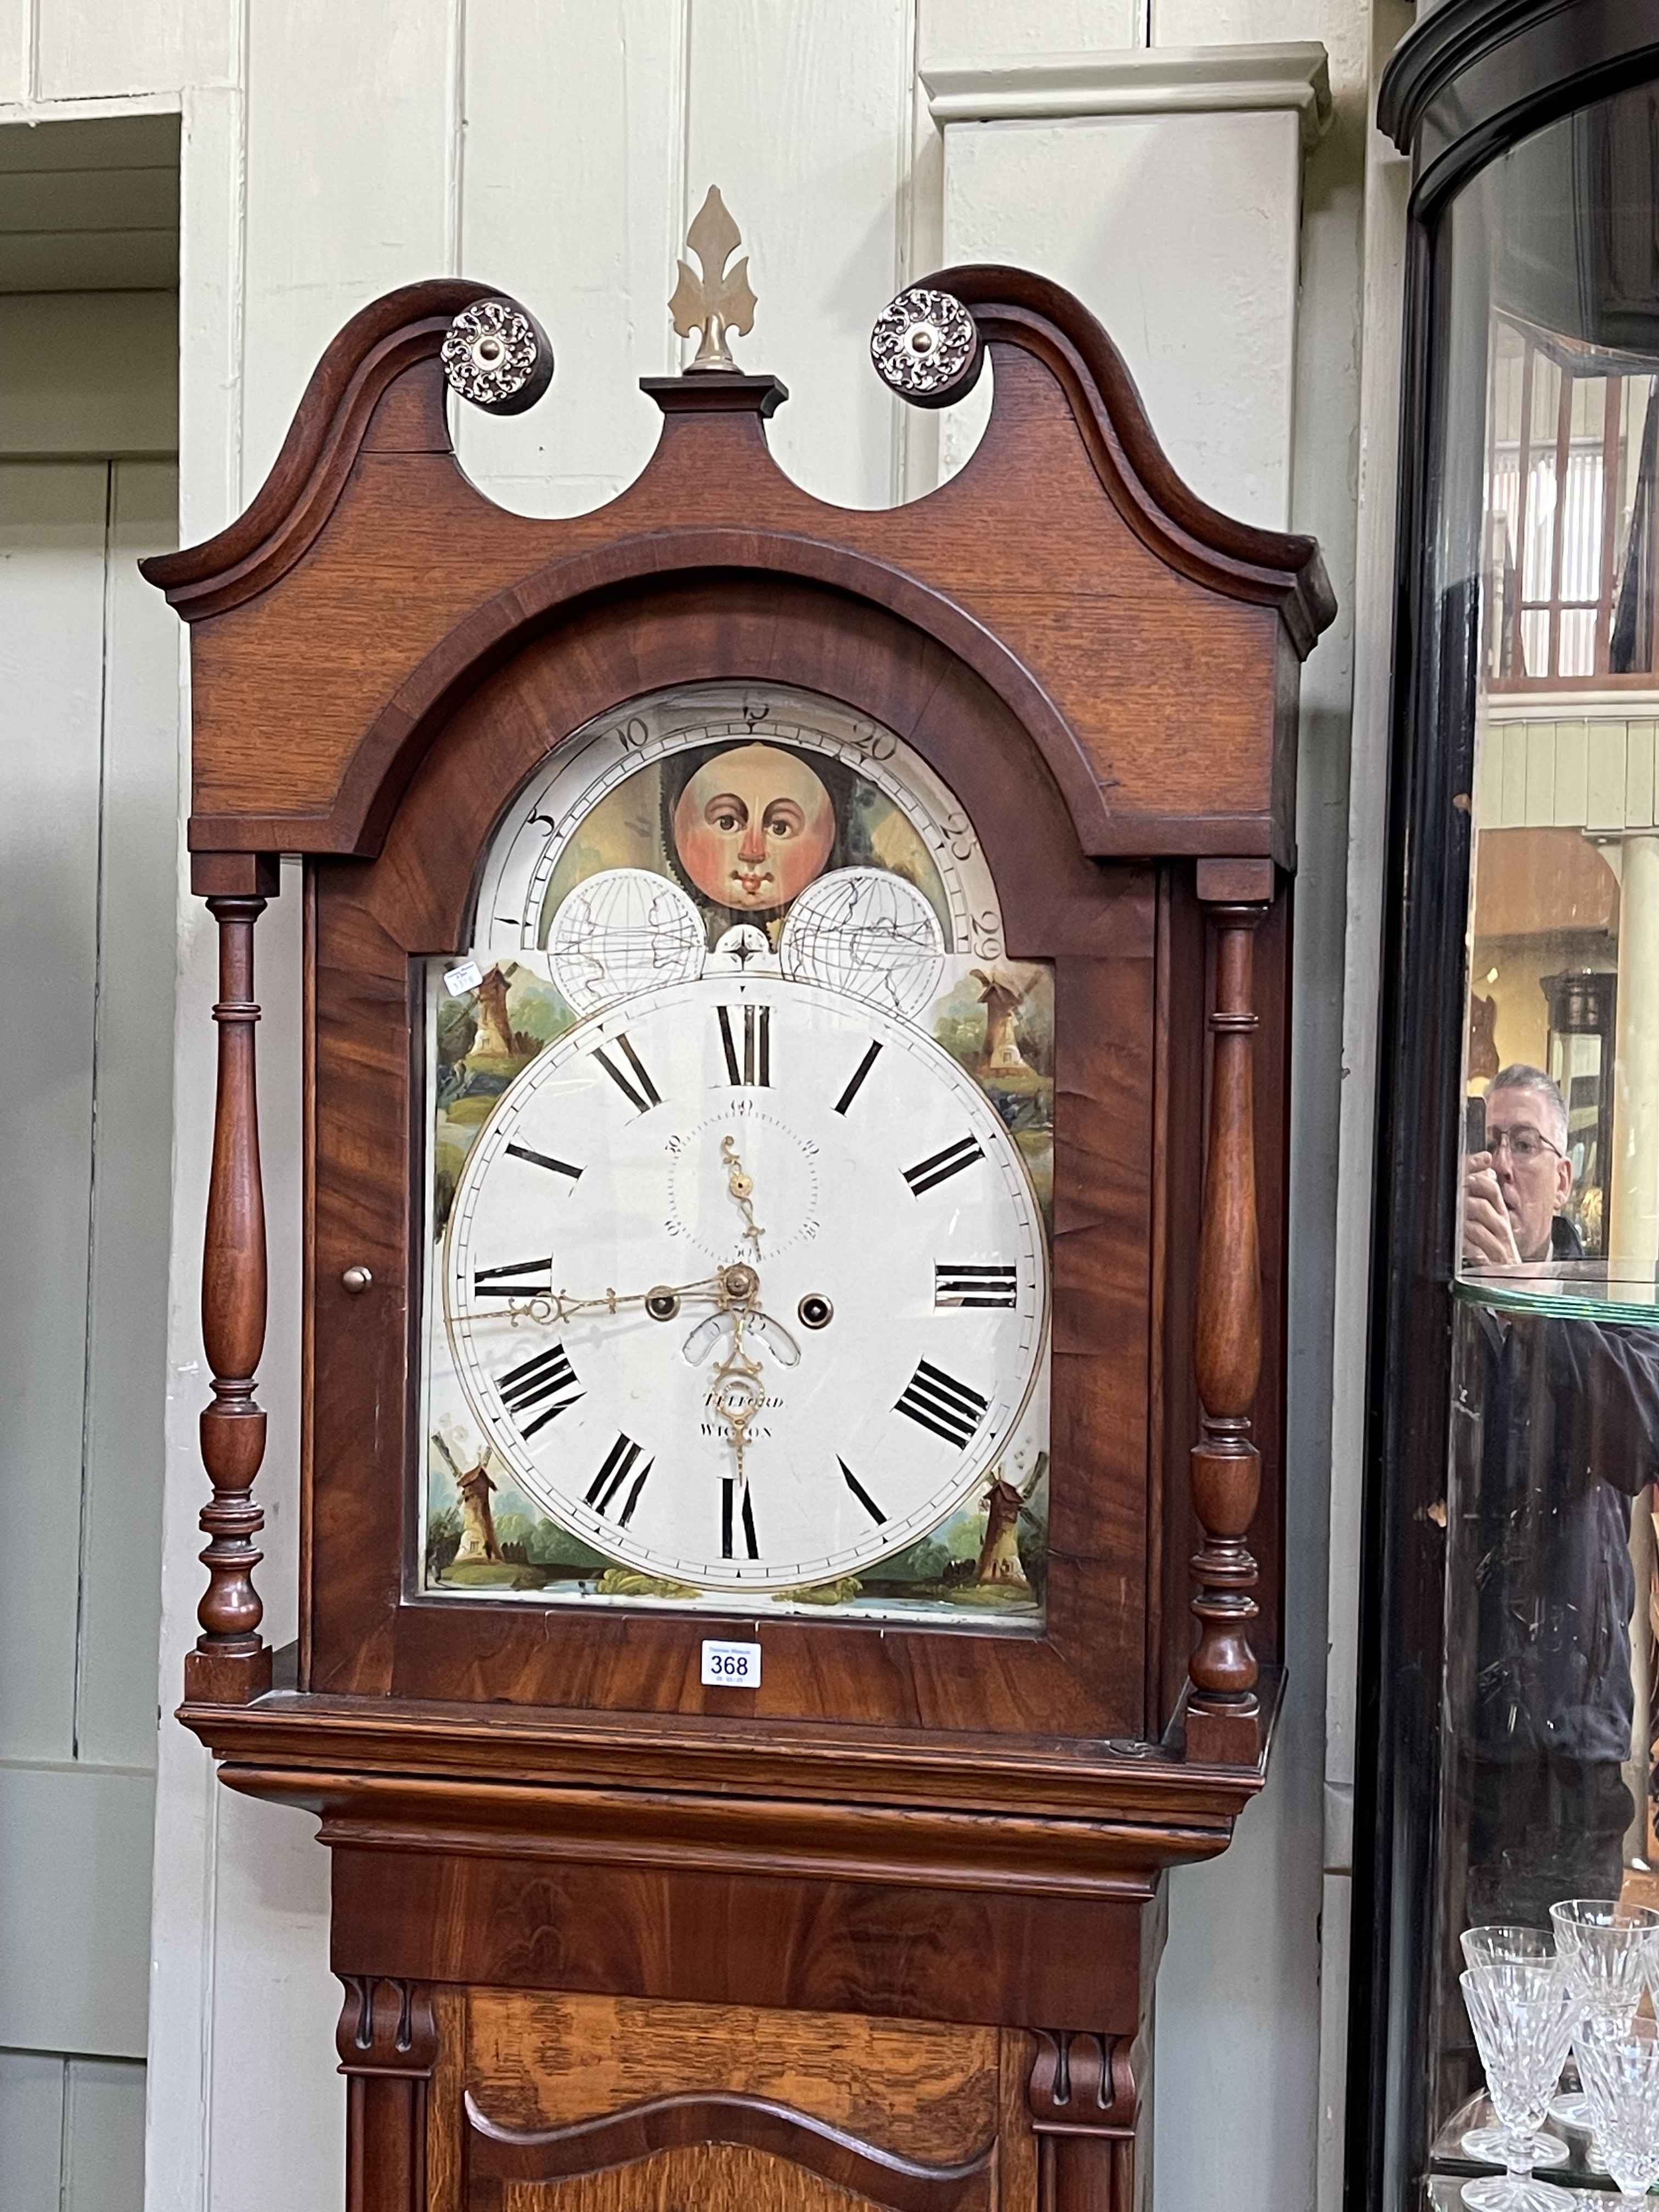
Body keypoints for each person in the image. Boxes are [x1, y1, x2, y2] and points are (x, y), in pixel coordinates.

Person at [1458, 1064, 1659, 1923]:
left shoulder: (1606, 1300)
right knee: (1452, 2002)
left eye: (1527, 1144)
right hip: (1456, 1730)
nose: (1505, 1164)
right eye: (1490, 1143)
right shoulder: (1440, 1294)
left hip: (1569, 1738)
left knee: (1554, 2005)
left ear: (1565, 1174)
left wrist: (1531, 1306)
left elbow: (1640, 1442)